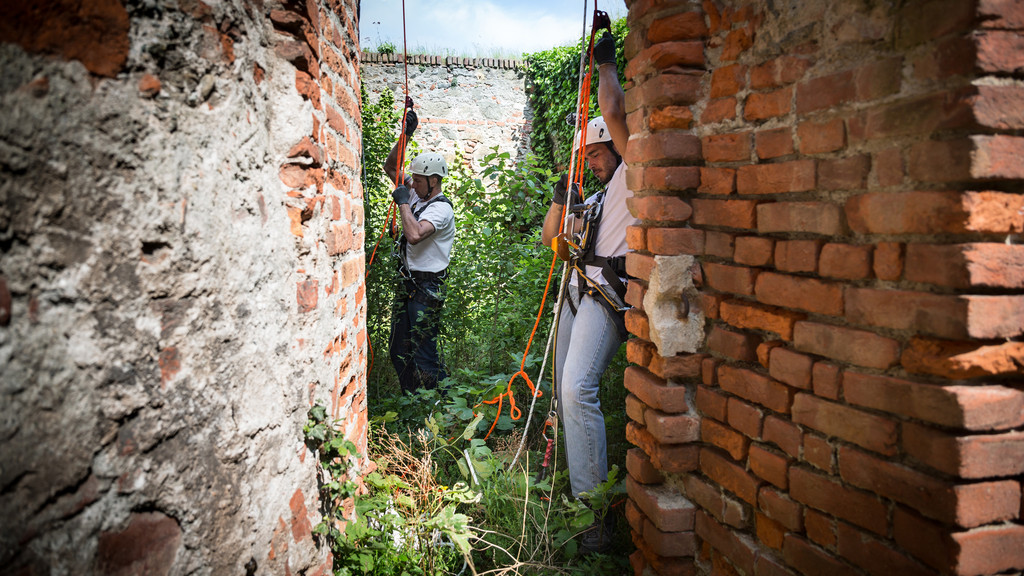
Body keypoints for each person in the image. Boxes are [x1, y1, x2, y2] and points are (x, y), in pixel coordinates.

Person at [540, 28, 635, 555]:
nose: (594, 163)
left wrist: (605, 63)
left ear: (615, 150)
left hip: (604, 299)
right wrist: (562, 198)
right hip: (577, 295)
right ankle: (576, 493)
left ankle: (594, 523)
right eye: (590, 156)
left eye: (598, 154)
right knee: (564, 391)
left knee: (578, 389)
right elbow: (554, 243)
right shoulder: (597, 200)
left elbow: (614, 110)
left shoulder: (630, 178)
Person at [383, 100, 455, 393]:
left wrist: (403, 202)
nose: (411, 184)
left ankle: (445, 407)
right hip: (409, 285)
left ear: (434, 181)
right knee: (398, 352)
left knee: (425, 357)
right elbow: (391, 167)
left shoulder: (441, 209)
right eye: (412, 179)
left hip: (427, 288)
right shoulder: (417, 192)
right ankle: (412, 402)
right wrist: (405, 135)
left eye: (418, 180)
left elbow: (414, 235)